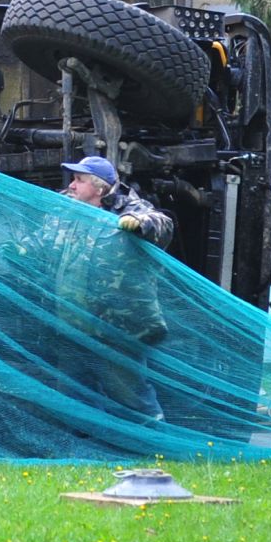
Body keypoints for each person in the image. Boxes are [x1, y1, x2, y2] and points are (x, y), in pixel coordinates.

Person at [27, 155, 175, 419]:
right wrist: (21, 249)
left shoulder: (129, 209)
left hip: (116, 329)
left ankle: (151, 446)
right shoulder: (67, 212)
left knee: (131, 396)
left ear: (99, 187)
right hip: (72, 325)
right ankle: (86, 450)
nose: (71, 185)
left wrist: (142, 224)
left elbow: (162, 224)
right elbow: (42, 243)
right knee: (75, 398)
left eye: (79, 180)